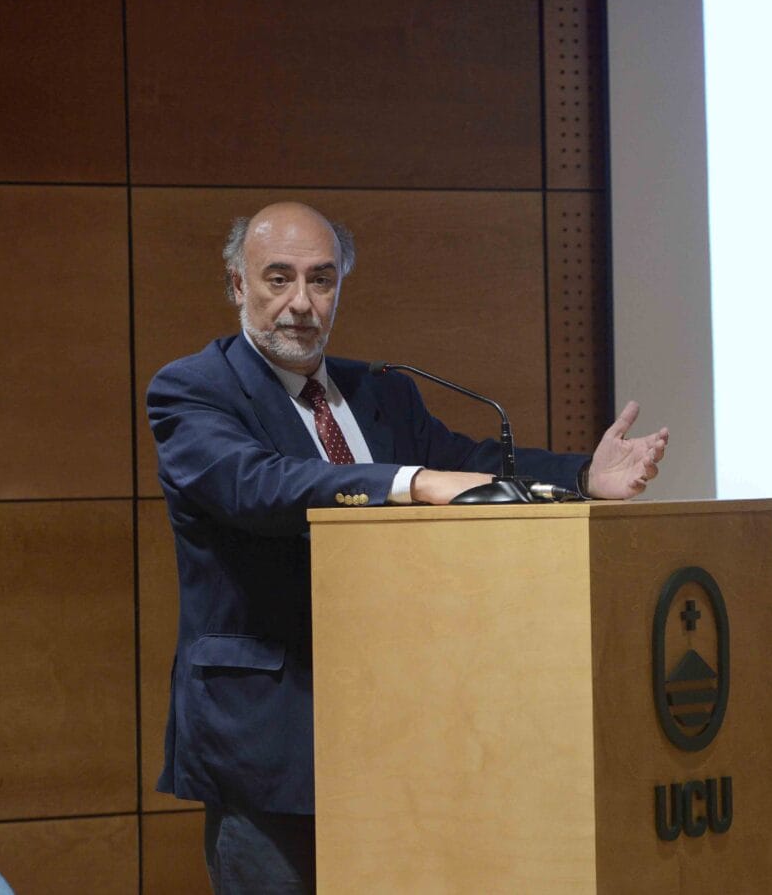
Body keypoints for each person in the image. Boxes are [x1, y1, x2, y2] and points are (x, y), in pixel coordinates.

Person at [147, 202, 668, 893]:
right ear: (238, 285)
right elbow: (258, 485)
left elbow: (470, 461)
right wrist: (409, 482)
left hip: (404, 722)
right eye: (278, 278)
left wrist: (582, 477)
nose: (301, 302)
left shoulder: (380, 391)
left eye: (321, 279)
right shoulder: (194, 389)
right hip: (269, 735)